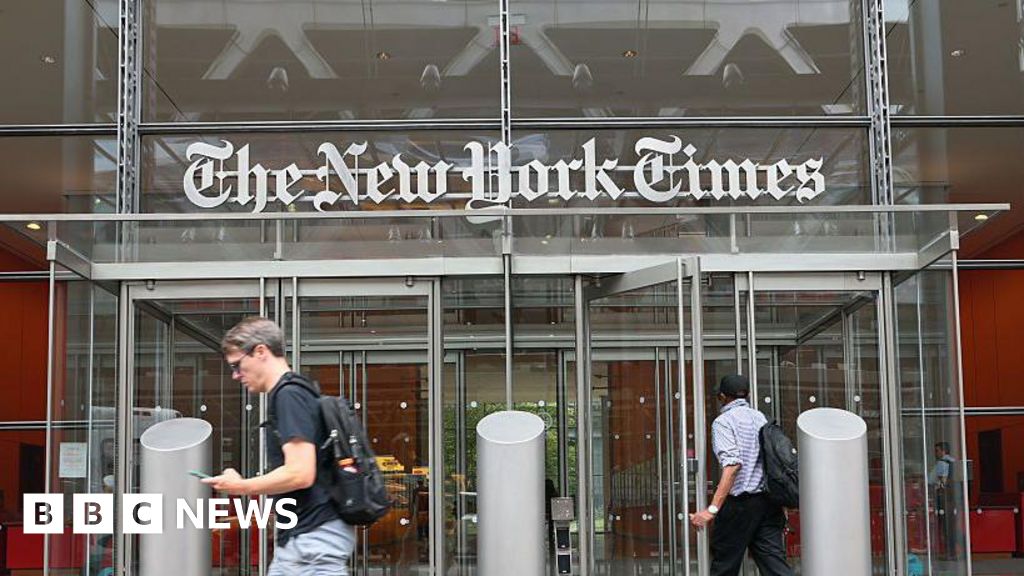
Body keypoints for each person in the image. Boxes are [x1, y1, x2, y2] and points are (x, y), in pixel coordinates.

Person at [203, 316, 355, 575]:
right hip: (307, 538)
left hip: (311, 541)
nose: (236, 375)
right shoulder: (294, 392)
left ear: (261, 351)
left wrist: (241, 486)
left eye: (237, 365)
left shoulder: (289, 395)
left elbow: (300, 473)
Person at [690, 374, 793, 576]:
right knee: (776, 567)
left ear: (722, 397)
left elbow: (733, 466)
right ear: (747, 395)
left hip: (739, 505)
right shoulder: (761, 418)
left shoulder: (723, 422)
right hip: (768, 503)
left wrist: (712, 509)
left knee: (724, 567)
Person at [930, 441, 960, 560]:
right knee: (952, 526)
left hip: (943, 498)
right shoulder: (955, 463)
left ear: (943, 451)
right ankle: (954, 551)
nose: (935, 453)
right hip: (953, 499)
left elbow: (931, 480)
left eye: (937, 451)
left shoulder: (941, 463)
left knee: (945, 526)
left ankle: (949, 552)